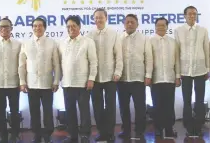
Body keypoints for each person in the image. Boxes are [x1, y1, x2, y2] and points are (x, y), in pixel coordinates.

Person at [18, 17, 61, 143]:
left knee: (48, 111)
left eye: (40, 25)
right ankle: (36, 134)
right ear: (32, 28)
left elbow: (56, 64)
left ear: (45, 27)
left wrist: (56, 81)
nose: (37, 28)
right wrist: (22, 82)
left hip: (47, 83)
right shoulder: (26, 43)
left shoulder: (52, 43)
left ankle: (48, 134)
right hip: (31, 84)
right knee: (34, 111)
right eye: (35, 26)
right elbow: (21, 65)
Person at [58, 15, 97, 143]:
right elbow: (59, 63)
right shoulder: (62, 43)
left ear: (79, 27)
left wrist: (91, 79)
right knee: (70, 111)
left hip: (83, 83)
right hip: (67, 83)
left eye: (74, 26)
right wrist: (58, 80)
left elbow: (93, 62)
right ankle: (72, 135)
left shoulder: (88, 42)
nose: (71, 28)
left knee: (84, 111)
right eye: (68, 26)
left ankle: (85, 134)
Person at [86, 8, 123, 141]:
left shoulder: (114, 34)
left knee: (110, 106)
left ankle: (110, 132)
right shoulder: (89, 35)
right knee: (97, 106)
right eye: (96, 17)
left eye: (101, 17)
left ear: (106, 18)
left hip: (110, 77)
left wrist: (118, 72)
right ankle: (102, 132)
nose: (98, 20)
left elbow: (118, 55)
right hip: (94, 78)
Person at [174, 6, 210, 136]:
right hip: (185, 70)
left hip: (200, 69)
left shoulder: (203, 30)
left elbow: (206, 49)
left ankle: (199, 125)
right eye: (189, 14)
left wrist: (208, 69)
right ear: (184, 16)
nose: (192, 16)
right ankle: (188, 126)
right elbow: (177, 53)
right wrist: (177, 74)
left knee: (199, 100)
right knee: (187, 99)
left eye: (194, 14)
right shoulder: (178, 30)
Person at [117, 14, 152, 140]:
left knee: (140, 107)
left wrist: (148, 75)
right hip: (122, 80)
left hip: (138, 79)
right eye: (127, 22)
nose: (130, 24)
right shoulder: (118, 38)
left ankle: (139, 131)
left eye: (132, 22)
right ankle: (126, 130)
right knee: (123, 108)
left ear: (137, 24)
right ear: (124, 24)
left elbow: (148, 58)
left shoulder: (144, 39)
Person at [150, 17, 180, 138]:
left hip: (169, 78)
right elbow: (148, 60)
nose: (161, 27)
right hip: (155, 78)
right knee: (157, 105)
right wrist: (148, 76)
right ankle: (158, 129)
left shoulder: (173, 42)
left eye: (163, 25)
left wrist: (177, 76)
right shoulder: (150, 41)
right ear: (155, 27)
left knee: (169, 105)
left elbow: (177, 61)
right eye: (158, 25)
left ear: (167, 27)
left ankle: (169, 129)